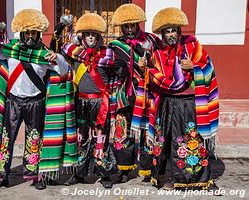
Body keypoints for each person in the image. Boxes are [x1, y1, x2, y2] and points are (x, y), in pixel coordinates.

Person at [0, 9, 73, 190]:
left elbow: (65, 71)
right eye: (27, 32)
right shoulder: (11, 49)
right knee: (5, 139)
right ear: (22, 32)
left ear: (38, 33)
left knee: (35, 140)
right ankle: (1, 177)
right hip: (13, 102)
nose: (30, 36)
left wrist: (57, 57)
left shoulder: (45, 54)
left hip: (36, 102)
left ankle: (36, 177)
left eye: (34, 32)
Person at [147, 7, 220, 191]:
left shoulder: (193, 47)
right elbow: (153, 77)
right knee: (167, 142)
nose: (171, 34)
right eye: (167, 31)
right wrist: (143, 70)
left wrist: (194, 67)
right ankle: (170, 178)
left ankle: (204, 179)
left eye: (173, 30)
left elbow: (209, 70)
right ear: (162, 34)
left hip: (188, 104)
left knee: (191, 141)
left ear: (179, 31)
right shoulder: (157, 53)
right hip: (167, 103)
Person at [61, 13, 117, 188]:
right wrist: (73, 37)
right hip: (81, 102)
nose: (90, 37)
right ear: (82, 36)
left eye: (93, 34)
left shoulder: (107, 54)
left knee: (101, 138)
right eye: (87, 34)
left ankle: (105, 174)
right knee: (81, 138)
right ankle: (79, 174)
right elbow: (62, 47)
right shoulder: (76, 53)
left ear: (99, 36)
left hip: (100, 102)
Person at [108, 3, 162, 183]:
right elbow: (112, 68)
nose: (130, 29)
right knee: (123, 131)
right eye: (126, 26)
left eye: (133, 25)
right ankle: (124, 169)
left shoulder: (152, 40)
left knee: (147, 131)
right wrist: (127, 67)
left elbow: (162, 62)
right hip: (125, 93)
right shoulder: (115, 45)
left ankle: (148, 169)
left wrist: (150, 64)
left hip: (147, 92)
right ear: (122, 27)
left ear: (138, 24)